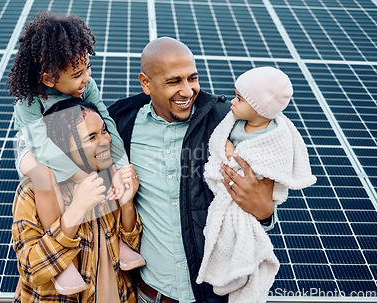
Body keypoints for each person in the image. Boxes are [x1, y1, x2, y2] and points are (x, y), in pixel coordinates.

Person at [108, 37, 276, 303]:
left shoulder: (226, 122)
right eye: (174, 81)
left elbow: (264, 194)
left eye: (192, 78)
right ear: (146, 83)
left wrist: (265, 213)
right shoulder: (121, 126)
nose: (187, 91)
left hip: (215, 296)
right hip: (149, 295)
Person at [7, 11, 144, 294]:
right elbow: (41, 146)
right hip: (34, 147)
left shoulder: (87, 86)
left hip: (72, 143)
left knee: (103, 158)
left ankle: (116, 241)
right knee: (45, 176)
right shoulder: (29, 100)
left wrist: (118, 167)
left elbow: (106, 123)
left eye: (88, 68)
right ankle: (62, 261)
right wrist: (81, 178)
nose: (87, 78)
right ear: (49, 78)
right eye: (78, 75)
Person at [196, 66, 317, 302]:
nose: (232, 102)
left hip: (246, 202)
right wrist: (226, 153)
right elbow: (218, 147)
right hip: (225, 190)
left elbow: (270, 168)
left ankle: (240, 272)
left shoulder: (275, 135)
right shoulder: (233, 123)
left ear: (259, 108)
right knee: (223, 233)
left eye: (239, 99)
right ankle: (230, 270)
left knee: (243, 237)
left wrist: (234, 157)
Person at [12, 100, 142, 303]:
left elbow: (132, 249)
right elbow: (32, 270)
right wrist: (76, 210)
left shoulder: (108, 179)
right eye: (91, 137)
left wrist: (126, 206)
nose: (105, 140)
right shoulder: (33, 191)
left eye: (104, 131)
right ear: (61, 146)